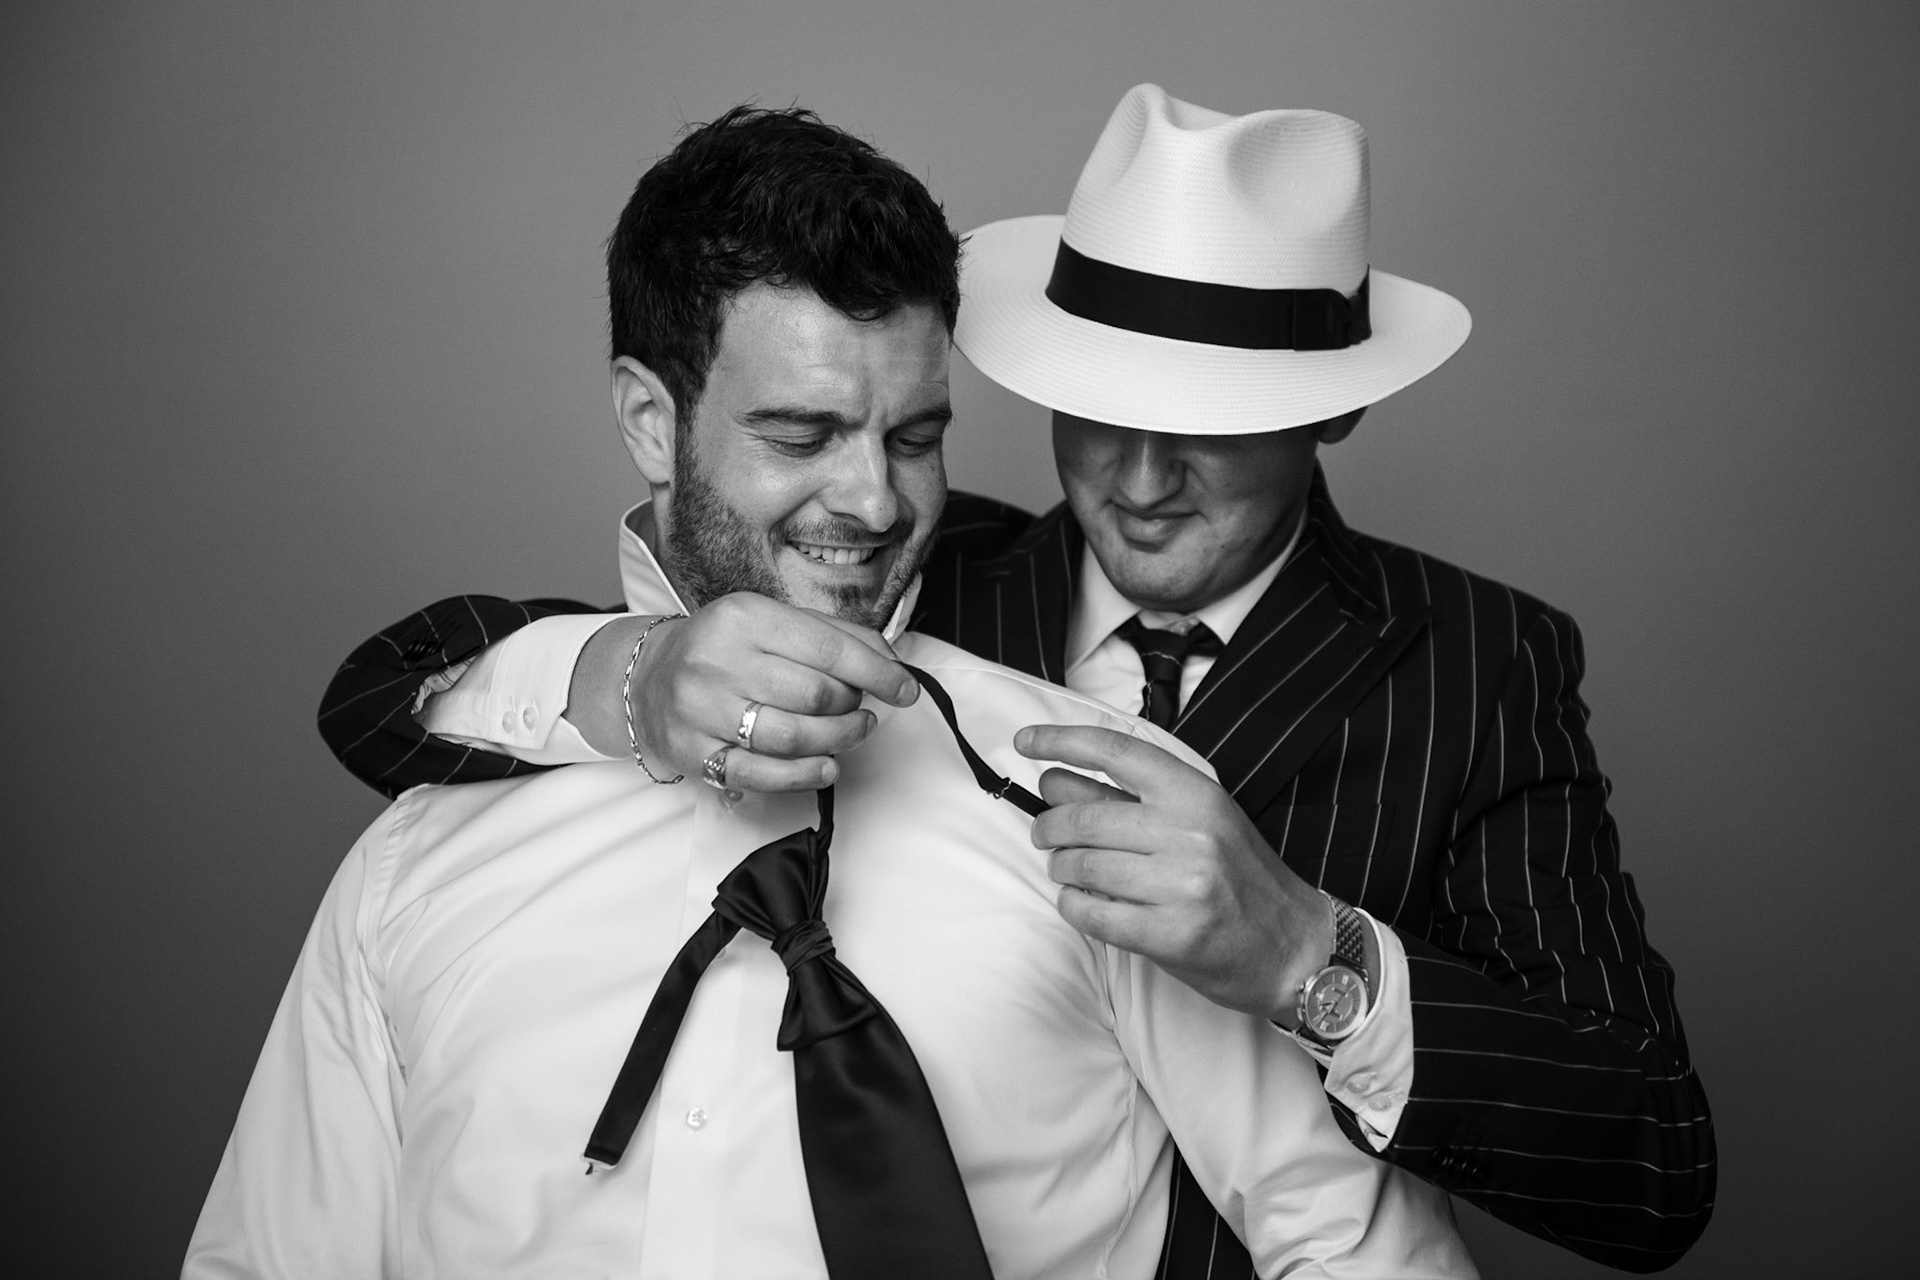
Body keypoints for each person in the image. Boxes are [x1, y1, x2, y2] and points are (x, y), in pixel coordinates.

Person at [315, 86, 1714, 1272]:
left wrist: (1309, 958)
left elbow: (1652, 1169)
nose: (1141, 481)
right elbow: (397, 694)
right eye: (1097, 403)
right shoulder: (904, 557)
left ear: (1332, 406)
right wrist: (633, 669)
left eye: (1211, 423)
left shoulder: (1481, 664)